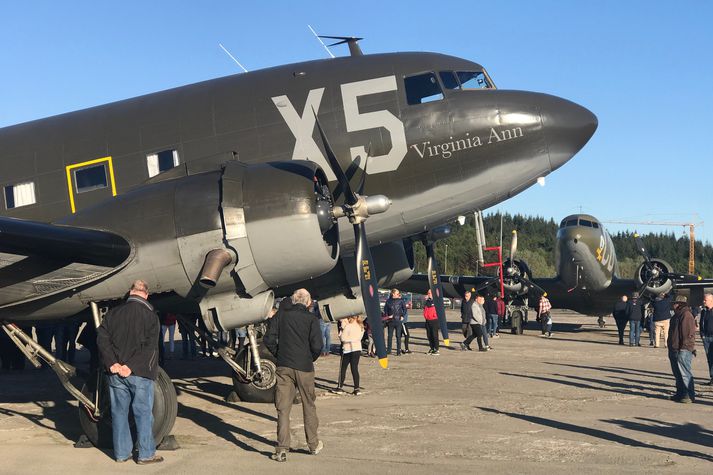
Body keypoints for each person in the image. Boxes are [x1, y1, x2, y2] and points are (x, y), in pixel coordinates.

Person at [96, 280, 163, 464]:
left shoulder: (113, 314)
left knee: (118, 413)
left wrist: (112, 363)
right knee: (143, 414)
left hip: (115, 373)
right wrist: (131, 366)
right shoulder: (151, 316)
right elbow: (150, 348)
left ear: (130, 293)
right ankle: (146, 454)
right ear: (146, 294)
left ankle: (121, 454)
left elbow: (102, 340)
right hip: (139, 373)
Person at [264, 288, 323, 462]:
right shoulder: (312, 319)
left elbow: (268, 339)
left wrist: (278, 354)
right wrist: (309, 358)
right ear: (308, 302)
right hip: (304, 367)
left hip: (284, 365)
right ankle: (313, 445)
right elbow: (318, 345)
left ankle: (282, 448)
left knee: (283, 408)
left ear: (293, 300)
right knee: (309, 405)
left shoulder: (281, 316)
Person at [667, 294, 696, 403]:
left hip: (682, 349)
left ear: (679, 304)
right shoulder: (677, 315)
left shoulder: (686, 315)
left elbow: (688, 334)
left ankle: (688, 394)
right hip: (674, 348)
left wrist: (685, 348)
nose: (673, 305)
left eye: (674, 303)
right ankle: (680, 393)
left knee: (685, 373)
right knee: (677, 374)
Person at [334, 316, 364, 395]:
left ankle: (340, 387)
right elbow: (360, 337)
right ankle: (357, 388)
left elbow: (343, 338)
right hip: (357, 348)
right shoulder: (360, 326)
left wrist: (341, 331)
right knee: (354, 369)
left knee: (343, 369)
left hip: (347, 349)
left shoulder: (348, 326)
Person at [384, 289, 407, 356]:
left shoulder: (401, 301)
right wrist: (387, 317)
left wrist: (402, 316)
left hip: (398, 320)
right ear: (393, 294)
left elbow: (404, 309)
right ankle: (389, 350)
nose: (398, 295)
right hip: (391, 321)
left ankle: (398, 351)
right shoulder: (388, 301)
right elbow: (385, 310)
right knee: (390, 336)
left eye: (399, 294)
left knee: (398, 336)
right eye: (397, 294)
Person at [699, 292, 713, 386]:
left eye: (705, 300)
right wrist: (702, 334)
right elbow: (701, 323)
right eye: (704, 299)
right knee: (709, 359)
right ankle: (712, 378)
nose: (704, 301)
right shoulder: (704, 311)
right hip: (706, 338)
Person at [423, 289, 440, 355]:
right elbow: (425, 309)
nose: (428, 294)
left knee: (434, 335)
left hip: (434, 320)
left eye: (430, 293)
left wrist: (434, 316)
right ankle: (432, 348)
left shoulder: (436, 301)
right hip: (427, 320)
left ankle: (436, 349)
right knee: (429, 335)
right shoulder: (427, 301)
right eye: (428, 293)